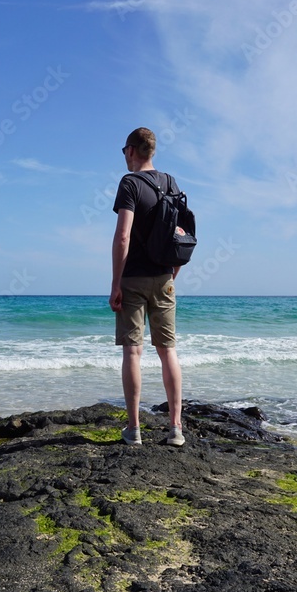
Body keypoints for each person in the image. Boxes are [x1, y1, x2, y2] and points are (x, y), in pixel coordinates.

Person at [109, 127, 184, 447]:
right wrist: (172, 274)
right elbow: (182, 235)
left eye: (124, 150)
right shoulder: (171, 183)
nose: (124, 156)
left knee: (133, 351)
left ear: (132, 151)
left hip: (134, 277)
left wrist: (116, 282)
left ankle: (134, 430)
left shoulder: (130, 183)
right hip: (165, 277)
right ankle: (176, 429)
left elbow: (123, 236)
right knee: (168, 351)